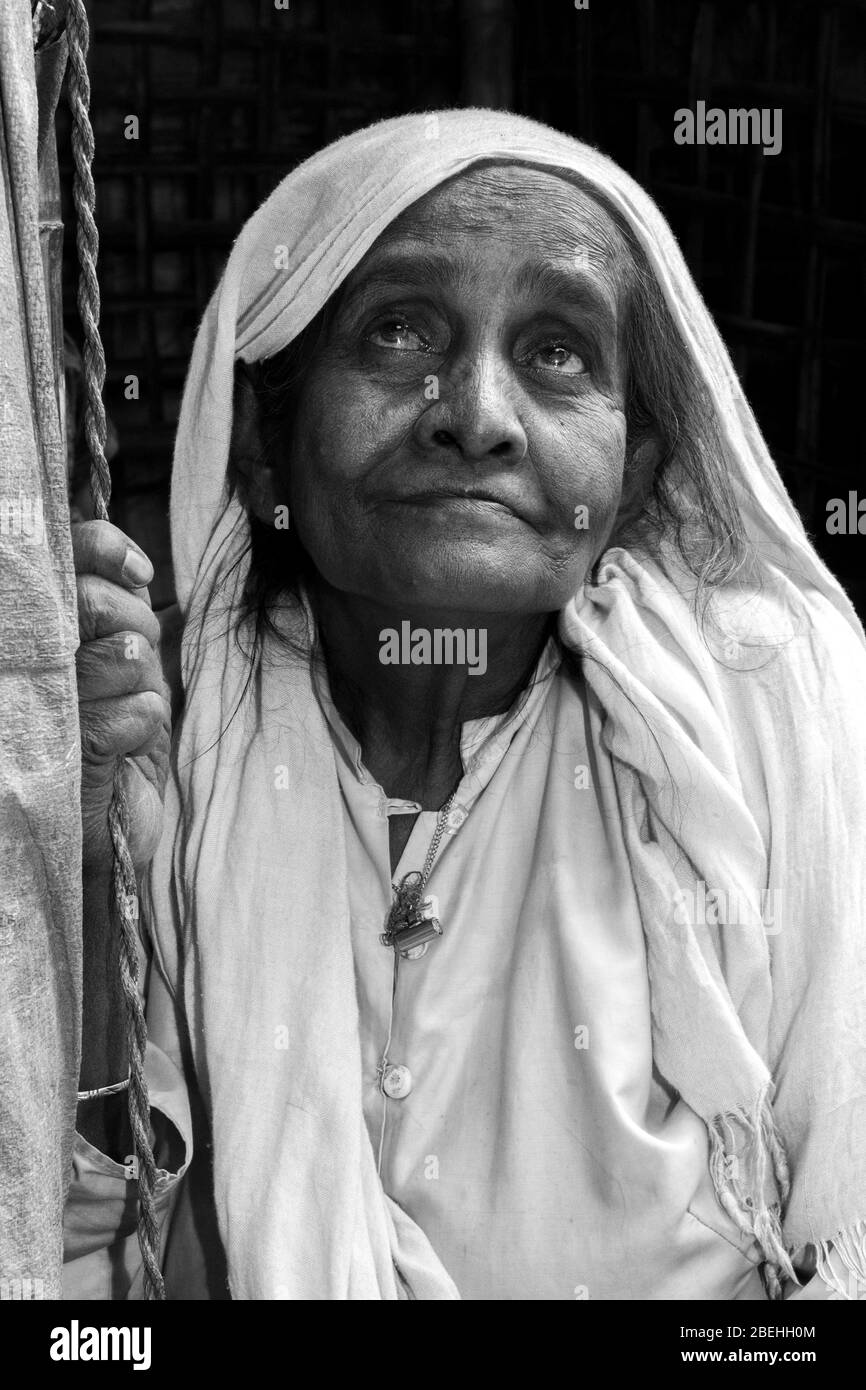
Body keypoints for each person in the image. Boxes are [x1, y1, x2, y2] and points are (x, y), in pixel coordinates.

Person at [64, 109, 866, 1301]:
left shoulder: (762, 708)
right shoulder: (155, 741)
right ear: (263, 446)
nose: (475, 413)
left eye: (556, 352)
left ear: (632, 476)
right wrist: (58, 844)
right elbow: (76, 1264)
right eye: (398, 331)